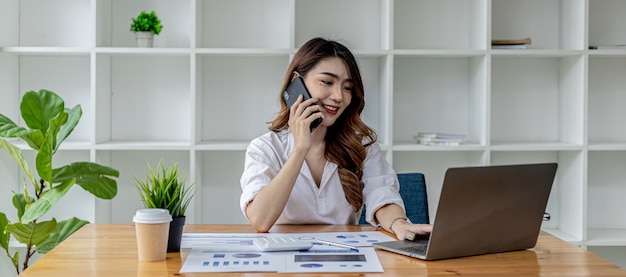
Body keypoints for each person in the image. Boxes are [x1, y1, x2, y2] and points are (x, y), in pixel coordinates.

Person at [240, 37, 432, 240]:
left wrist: (399, 224)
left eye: (347, 87)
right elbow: (260, 220)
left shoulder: (361, 145)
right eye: (327, 82)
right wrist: (300, 149)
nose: (339, 96)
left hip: (343, 255)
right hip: (282, 258)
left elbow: (382, 194)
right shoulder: (265, 149)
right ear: (297, 81)